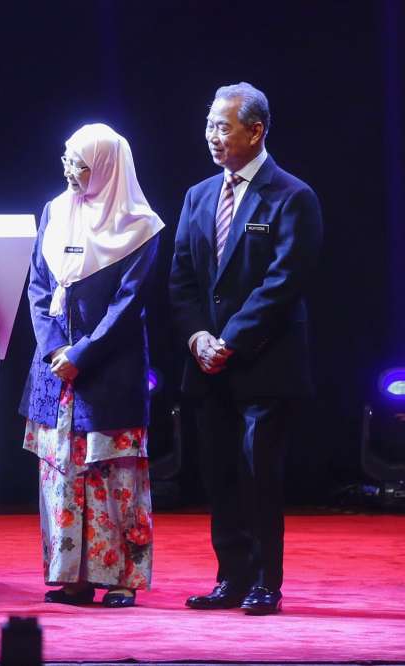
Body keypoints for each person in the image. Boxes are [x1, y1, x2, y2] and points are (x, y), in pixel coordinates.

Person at [169, 82, 323, 615]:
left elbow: (283, 283)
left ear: (255, 131)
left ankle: (264, 582)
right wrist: (197, 337)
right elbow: (183, 280)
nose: (212, 135)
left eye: (223, 126)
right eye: (209, 124)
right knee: (219, 474)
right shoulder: (197, 196)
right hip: (207, 365)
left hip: (264, 363)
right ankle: (229, 578)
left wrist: (229, 341)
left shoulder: (292, 196)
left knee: (258, 472)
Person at [20, 123, 164, 608]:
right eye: (67, 159)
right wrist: (54, 349)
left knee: (114, 474)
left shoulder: (140, 227)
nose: (70, 170)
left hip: (109, 370)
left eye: (80, 163)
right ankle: (75, 577)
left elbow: (128, 306)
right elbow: (39, 287)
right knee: (62, 471)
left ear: (106, 168)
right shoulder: (54, 212)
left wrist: (81, 355)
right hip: (55, 369)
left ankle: (122, 578)